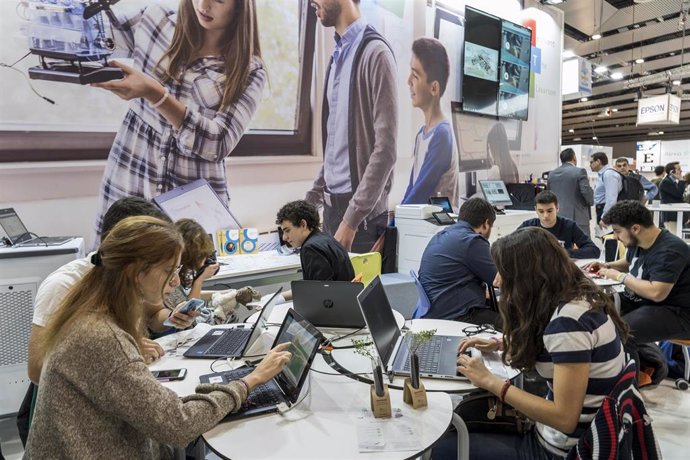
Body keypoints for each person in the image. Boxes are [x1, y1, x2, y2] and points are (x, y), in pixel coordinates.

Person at [25, 216, 291, 458]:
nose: (175, 282)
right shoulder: (101, 336)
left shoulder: (91, 311)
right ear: (136, 272)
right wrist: (251, 380)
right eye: (169, 271)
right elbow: (178, 425)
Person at [91, 0, 266, 243]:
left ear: (239, 6)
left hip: (194, 212)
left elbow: (218, 142)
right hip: (129, 182)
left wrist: (155, 93)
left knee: (190, 276)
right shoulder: (157, 19)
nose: (204, 5)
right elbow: (95, 39)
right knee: (115, 272)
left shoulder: (249, 70)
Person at [456, 227, 628, 459]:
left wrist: (491, 381)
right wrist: (500, 344)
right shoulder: (576, 299)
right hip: (571, 435)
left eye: (503, 272)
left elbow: (564, 419)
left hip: (562, 449)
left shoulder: (568, 325)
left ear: (527, 276)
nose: (496, 282)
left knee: (448, 444)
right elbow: (558, 349)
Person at [27, 197, 196, 385]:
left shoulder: (134, 279)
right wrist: (121, 353)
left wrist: (171, 318)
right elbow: (36, 370)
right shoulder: (62, 285)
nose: (175, 281)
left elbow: (154, 314)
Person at [305, 0, 398, 252]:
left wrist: (351, 220)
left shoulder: (376, 54)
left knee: (357, 293)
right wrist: (310, 201)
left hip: (361, 222)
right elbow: (337, 148)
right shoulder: (337, 56)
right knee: (328, 292)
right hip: (332, 212)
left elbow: (386, 151)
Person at [583, 200, 690, 367]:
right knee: (589, 311)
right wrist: (607, 265)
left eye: (617, 231)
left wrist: (618, 276)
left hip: (676, 311)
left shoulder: (670, 250)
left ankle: (634, 380)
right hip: (645, 302)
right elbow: (629, 261)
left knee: (620, 332)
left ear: (635, 228)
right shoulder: (638, 241)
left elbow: (657, 293)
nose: (616, 237)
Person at [417, 198, 498, 325]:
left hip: (435, 311)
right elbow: (498, 280)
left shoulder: (442, 234)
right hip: (456, 316)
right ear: (486, 223)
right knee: (516, 324)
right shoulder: (472, 241)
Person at [165, 218, 260, 326]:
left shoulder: (179, 273)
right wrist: (199, 280)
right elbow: (189, 308)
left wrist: (232, 292)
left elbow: (187, 295)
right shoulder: (173, 278)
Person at [400, 37, 458, 207]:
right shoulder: (422, 134)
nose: (408, 81)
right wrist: (393, 225)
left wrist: (394, 226)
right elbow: (412, 188)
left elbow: (420, 193)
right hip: (420, 225)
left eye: (415, 76)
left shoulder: (441, 135)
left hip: (437, 229)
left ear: (434, 88)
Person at [276, 200, 355, 301]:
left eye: (287, 231)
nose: (284, 238)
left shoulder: (311, 249)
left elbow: (320, 295)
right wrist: (281, 297)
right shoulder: (326, 239)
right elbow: (316, 286)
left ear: (303, 225)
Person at [518, 190, 600, 259]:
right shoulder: (527, 226)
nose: (545, 216)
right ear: (535, 209)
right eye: (541, 211)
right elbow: (510, 248)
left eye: (550, 211)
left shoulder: (569, 226)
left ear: (557, 208)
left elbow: (594, 251)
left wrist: (564, 253)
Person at [547, 148, 594, 237]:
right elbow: (586, 192)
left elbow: (549, 194)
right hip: (578, 216)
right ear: (574, 158)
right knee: (583, 245)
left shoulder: (552, 174)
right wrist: (591, 201)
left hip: (558, 215)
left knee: (562, 244)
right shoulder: (579, 171)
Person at [590, 151, 621, 227]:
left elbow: (611, 198)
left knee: (609, 237)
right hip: (602, 208)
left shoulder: (609, 174)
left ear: (598, 161)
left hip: (606, 211)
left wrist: (605, 217)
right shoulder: (604, 174)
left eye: (591, 162)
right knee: (604, 237)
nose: (590, 165)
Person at [659, 161, 686, 234]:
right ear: (672, 171)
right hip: (670, 216)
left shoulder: (673, 182)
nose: (681, 171)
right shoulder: (666, 182)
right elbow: (678, 194)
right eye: (679, 169)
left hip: (676, 215)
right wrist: (681, 180)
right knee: (674, 238)